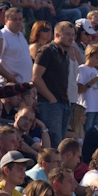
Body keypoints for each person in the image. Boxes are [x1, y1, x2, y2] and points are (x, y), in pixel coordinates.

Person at [33, 21, 73, 149]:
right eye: (67, 34)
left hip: (63, 103)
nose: (71, 38)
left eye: (73, 35)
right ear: (57, 34)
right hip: (50, 104)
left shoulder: (65, 55)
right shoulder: (46, 51)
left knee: (60, 145)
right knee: (53, 144)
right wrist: (52, 100)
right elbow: (36, 78)